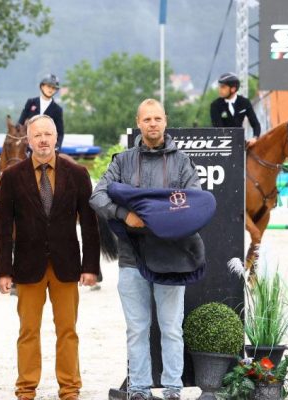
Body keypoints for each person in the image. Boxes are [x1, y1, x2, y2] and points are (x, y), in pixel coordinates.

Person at [89, 99, 201, 400]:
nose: (152, 124)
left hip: (173, 258)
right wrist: (126, 215)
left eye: (157, 118)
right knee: (137, 329)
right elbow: (97, 196)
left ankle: (173, 389)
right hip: (131, 259)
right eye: (147, 119)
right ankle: (138, 390)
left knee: (171, 328)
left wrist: (164, 218)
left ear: (166, 121)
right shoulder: (122, 161)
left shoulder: (182, 162)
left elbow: (197, 200)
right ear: (138, 123)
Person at [0, 115, 100, 400]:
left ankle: (69, 389)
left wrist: (91, 266)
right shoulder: (12, 177)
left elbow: (90, 224)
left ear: (56, 138)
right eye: (37, 135)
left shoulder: (77, 173)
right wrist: (3, 271)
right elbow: (3, 227)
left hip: (67, 265)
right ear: (28, 141)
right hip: (27, 267)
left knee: (68, 330)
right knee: (28, 331)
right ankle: (26, 388)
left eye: (47, 135)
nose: (43, 140)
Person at [210, 72, 262, 146]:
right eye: (220, 87)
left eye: (223, 87)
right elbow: (218, 128)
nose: (220, 89)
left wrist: (255, 138)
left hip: (240, 143)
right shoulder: (215, 105)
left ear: (233, 89)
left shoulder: (245, 102)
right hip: (222, 144)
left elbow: (255, 124)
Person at [17, 74, 65, 149]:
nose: (51, 89)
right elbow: (20, 123)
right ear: (42, 86)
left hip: (46, 146)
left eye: (54, 88)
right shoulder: (31, 102)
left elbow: (60, 132)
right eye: (49, 86)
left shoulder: (57, 109)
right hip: (28, 144)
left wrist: (57, 146)